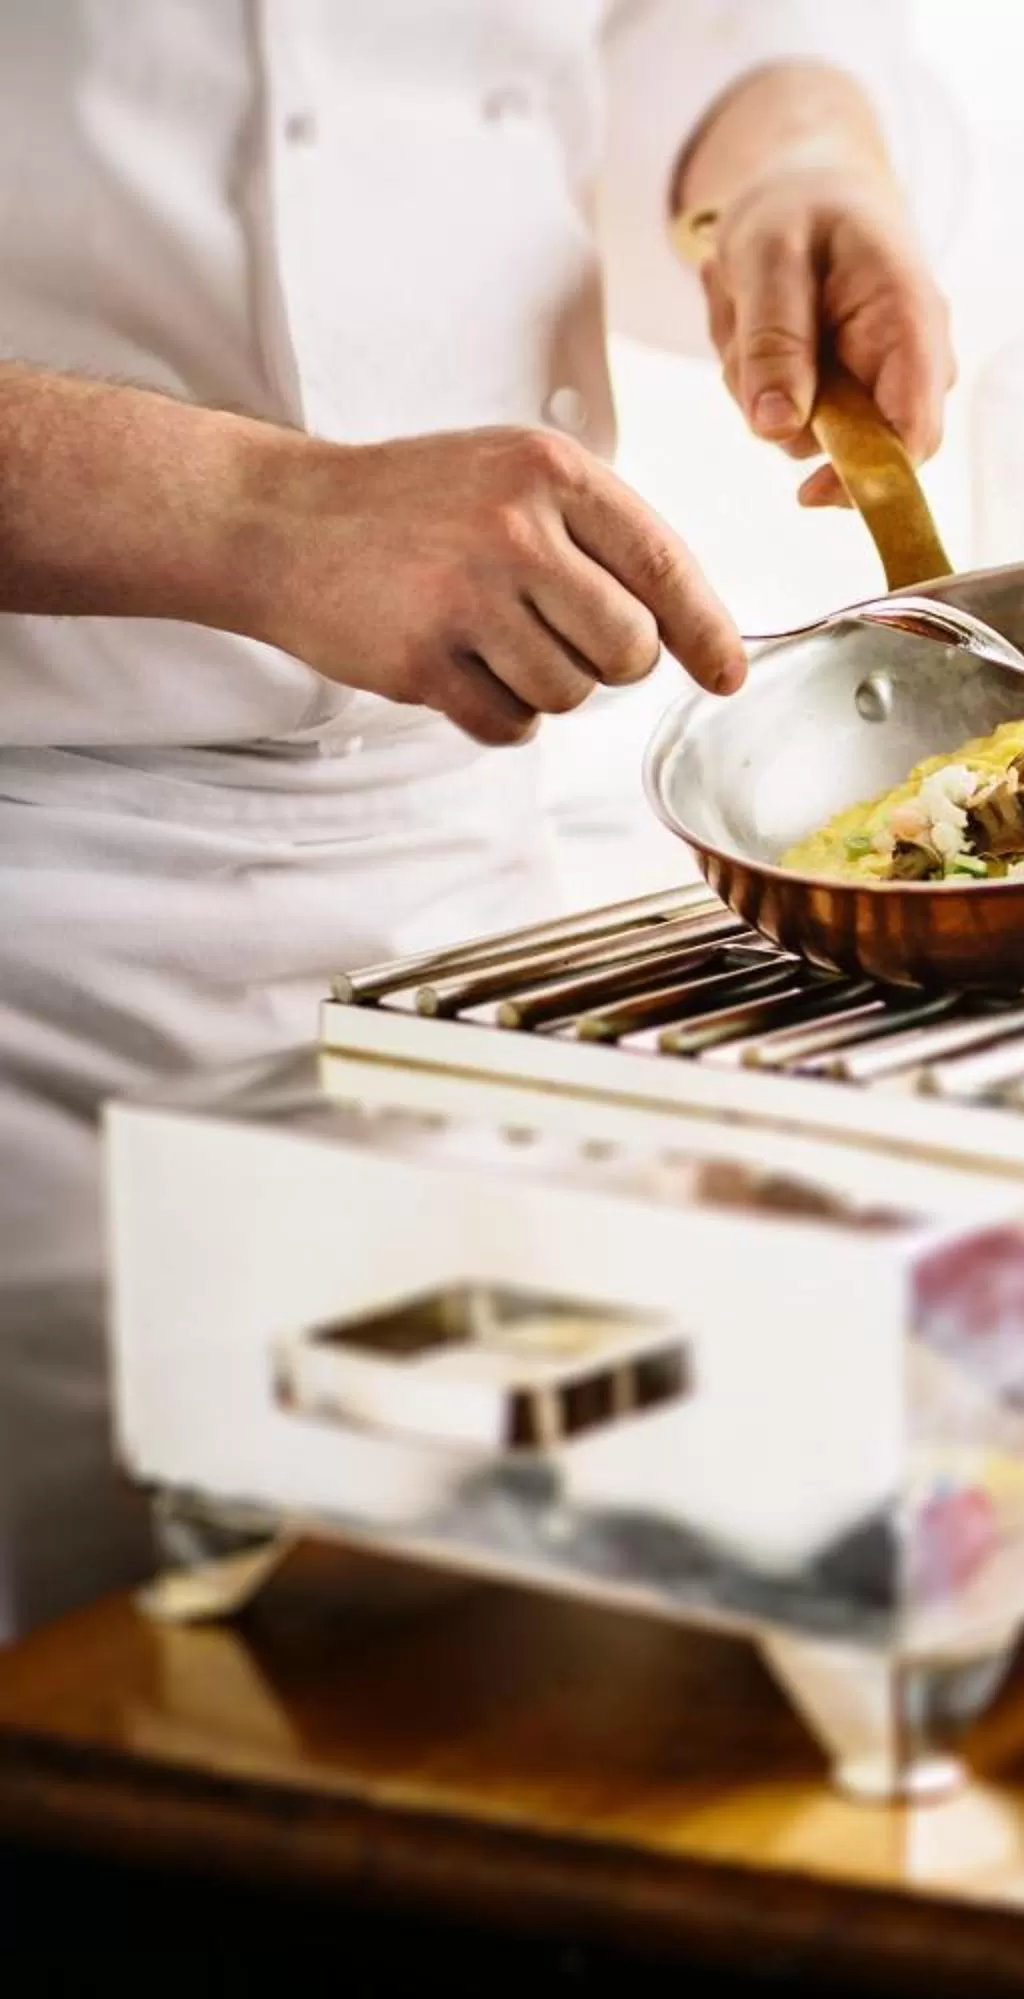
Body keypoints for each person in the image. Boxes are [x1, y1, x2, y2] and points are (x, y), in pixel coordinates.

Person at [0, 4, 961, 1639]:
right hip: (38, 920)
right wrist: (250, 512)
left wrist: (789, 151)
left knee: (501, 1669)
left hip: (477, 907)